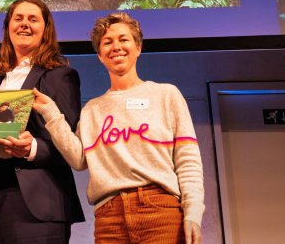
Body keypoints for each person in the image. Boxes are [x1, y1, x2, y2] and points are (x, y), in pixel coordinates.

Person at [33, 13, 204, 244]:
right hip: (109, 218)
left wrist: (193, 213)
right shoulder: (92, 109)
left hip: (160, 211)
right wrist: (51, 114)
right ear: (100, 56)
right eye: (107, 42)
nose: (116, 47)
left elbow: (188, 161)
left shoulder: (166, 95)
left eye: (123, 39)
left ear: (138, 47)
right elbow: (79, 159)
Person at [0, 0, 85, 243]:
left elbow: (68, 144)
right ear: (8, 27)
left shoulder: (60, 76)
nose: (24, 24)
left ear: (45, 29)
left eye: (33, 19)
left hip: (37, 205)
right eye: (18, 18)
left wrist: (31, 148)